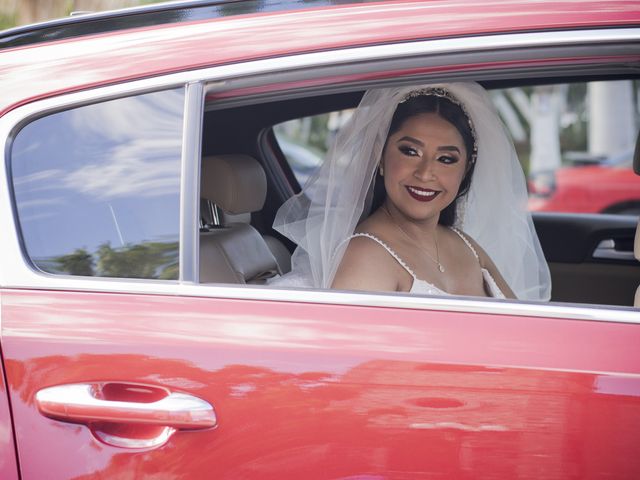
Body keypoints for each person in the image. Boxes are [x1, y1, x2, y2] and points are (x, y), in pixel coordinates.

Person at [272, 82, 551, 301]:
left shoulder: (465, 244)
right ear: (381, 158)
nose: (425, 172)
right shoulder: (366, 255)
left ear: (465, 170)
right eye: (410, 151)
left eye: (446, 159)